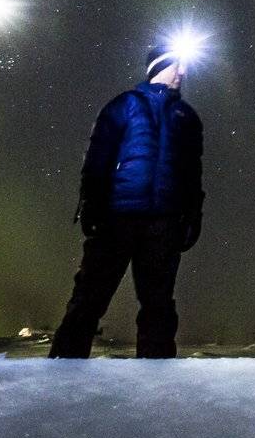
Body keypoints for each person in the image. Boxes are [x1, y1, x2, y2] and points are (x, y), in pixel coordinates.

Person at [48, 40, 205, 358]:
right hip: (116, 216)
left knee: (158, 304)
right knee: (91, 293)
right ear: (161, 67)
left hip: (164, 220)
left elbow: (192, 172)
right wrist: (91, 202)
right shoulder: (123, 105)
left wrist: (192, 214)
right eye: (178, 65)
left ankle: (156, 381)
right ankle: (63, 370)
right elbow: (98, 156)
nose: (184, 72)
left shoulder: (186, 116)